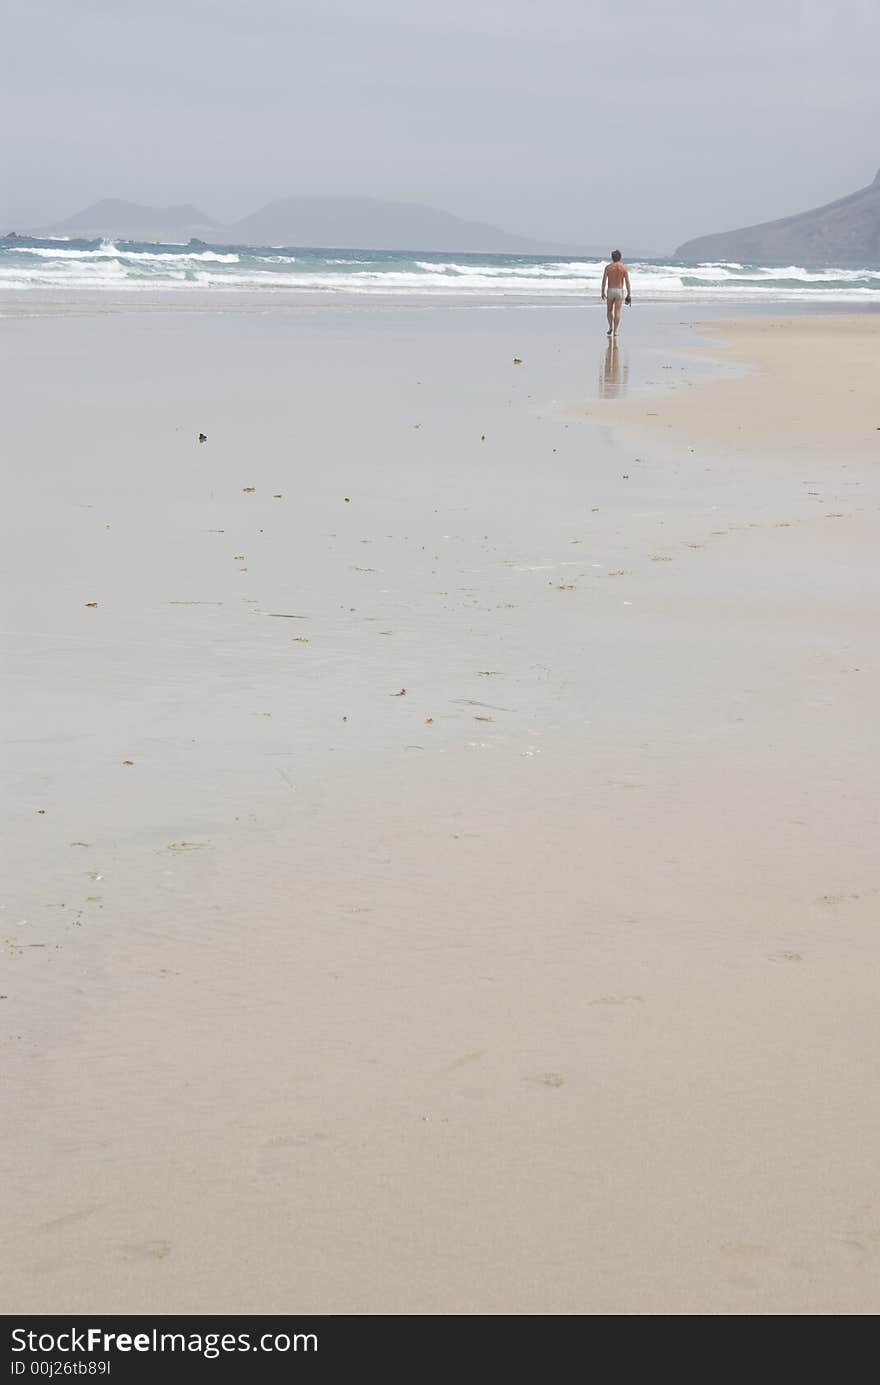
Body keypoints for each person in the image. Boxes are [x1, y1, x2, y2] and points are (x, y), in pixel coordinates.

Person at [600, 250, 631, 336]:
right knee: (617, 311)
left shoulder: (608, 267)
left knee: (609, 310)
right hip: (619, 291)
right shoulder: (623, 268)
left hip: (610, 290)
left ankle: (610, 327)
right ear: (620, 257)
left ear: (612, 257)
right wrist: (629, 293)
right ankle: (615, 331)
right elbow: (627, 282)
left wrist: (602, 291)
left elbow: (604, 281)